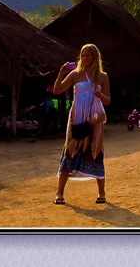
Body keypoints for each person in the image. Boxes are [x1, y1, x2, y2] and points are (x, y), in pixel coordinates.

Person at [53, 43, 111, 205]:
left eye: (88, 55)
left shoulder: (102, 76)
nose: (84, 58)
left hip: (94, 120)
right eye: (82, 55)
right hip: (77, 118)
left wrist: (100, 94)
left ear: (95, 57)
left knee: (96, 152)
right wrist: (60, 73)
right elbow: (57, 90)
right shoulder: (75, 74)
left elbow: (108, 101)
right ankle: (59, 193)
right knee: (69, 152)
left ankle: (101, 193)